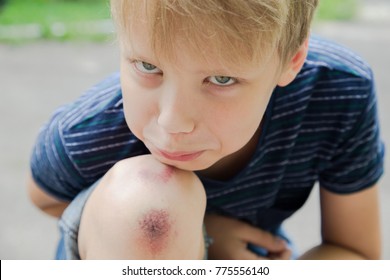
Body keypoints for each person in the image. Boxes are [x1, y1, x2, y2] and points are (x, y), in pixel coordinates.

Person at [28, 0, 385, 260]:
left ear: (292, 58)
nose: (171, 121)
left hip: (248, 257)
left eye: (221, 79)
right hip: (125, 249)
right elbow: (44, 195)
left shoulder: (338, 89)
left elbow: (354, 251)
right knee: (152, 213)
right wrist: (199, 236)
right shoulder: (92, 127)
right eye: (148, 66)